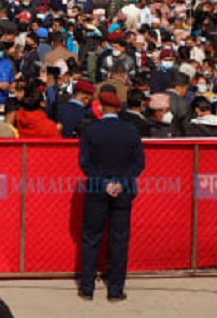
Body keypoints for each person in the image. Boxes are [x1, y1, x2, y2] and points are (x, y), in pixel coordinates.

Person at [78, 90, 144, 303]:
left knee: (91, 237)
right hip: (123, 189)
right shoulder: (131, 130)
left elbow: (85, 163)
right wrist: (119, 182)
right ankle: (115, 290)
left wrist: (105, 183)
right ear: (118, 109)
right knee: (119, 239)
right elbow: (138, 164)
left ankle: (87, 287)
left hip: (98, 188)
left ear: (100, 107)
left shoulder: (91, 130)